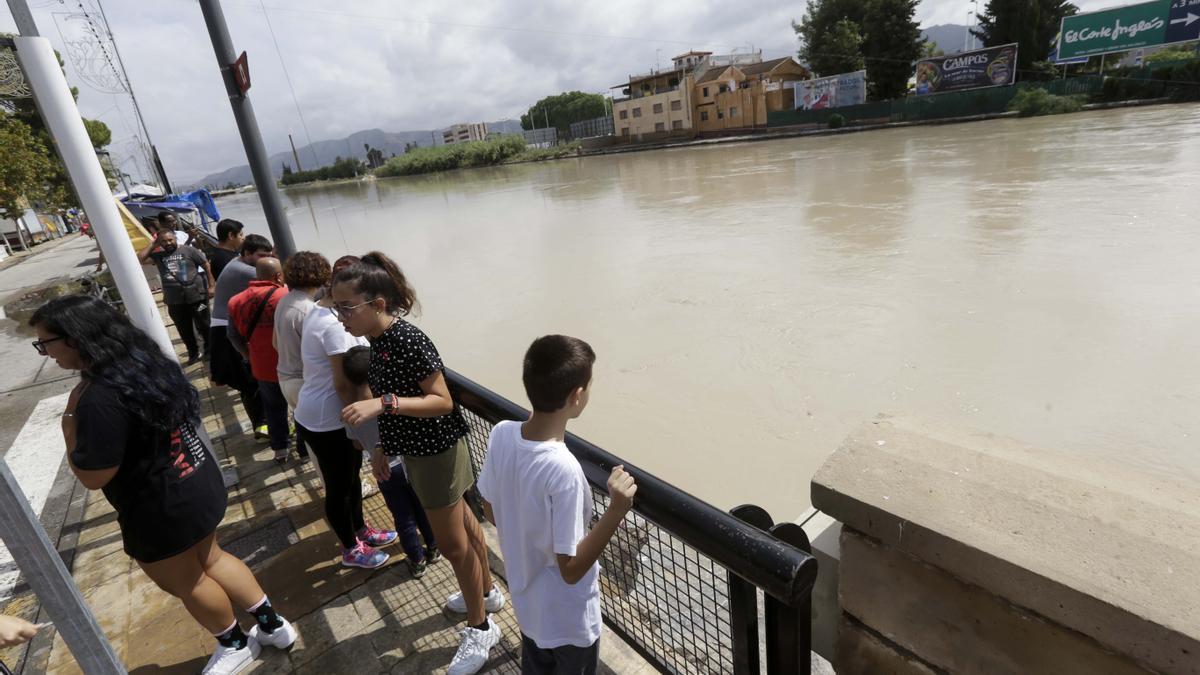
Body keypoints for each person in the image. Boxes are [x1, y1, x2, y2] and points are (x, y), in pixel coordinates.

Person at [30, 295, 297, 675]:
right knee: (214, 557)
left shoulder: (97, 399)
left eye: (46, 343)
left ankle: (236, 643)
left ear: (75, 338)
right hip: (196, 479)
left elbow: (93, 476)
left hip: (160, 508)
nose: (46, 353)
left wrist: (69, 425)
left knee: (187, 581)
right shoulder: (142, 361)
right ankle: (274, 627)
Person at [335, 252, 501, 675]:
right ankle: (486, 590)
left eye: (347, 307)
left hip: (438, 451)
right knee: (464, 525)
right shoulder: (377, 342)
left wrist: (382, 403)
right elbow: (393, 404)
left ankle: (480, 627)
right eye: (336, 307)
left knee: (451, 545)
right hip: (420, 450)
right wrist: (380, 449)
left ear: (378, 305)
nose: (341, 317)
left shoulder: (407, 340)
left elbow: (442, 401)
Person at [477, 336, 636, 675]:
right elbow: (571, 568)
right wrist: (616, 509)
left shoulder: (502, 433)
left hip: (527, 605)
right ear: (576, 396)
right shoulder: (563, 470)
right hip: (568, 621)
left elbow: (490, 511)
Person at [295, 256, 397, 569]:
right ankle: (351, 548)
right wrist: (366, 423)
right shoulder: (333, 325)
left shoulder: (319, 310)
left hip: (322, 412)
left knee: (351, 477)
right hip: (328, 417)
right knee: (339, 486)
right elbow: (343, 385)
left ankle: (360, 529)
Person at [343, 345, 440, 578]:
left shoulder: (351, 411)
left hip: (384, 473)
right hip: (409, 464)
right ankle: (434, 548)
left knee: (403, 517)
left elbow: (356, 444)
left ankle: (417, 560)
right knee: (422, 508)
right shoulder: (389, 402)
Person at [227, 258, 305, 464]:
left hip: (261, 366)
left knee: (273, 408)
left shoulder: (236, 301)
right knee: (301, 407)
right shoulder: (287, 296)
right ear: (279, 276)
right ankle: (305, 450)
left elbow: (232, 335)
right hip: (293, 364)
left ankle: (280, 449)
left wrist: (248, 356)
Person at [209, 234, 273, 439]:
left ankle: (263, 424)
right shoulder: (244, 271)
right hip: (226, 330)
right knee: (249, 380)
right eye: (262, 255)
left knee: (250, 379)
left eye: (268, 256)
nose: (265, 260)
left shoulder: (236, 263)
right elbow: (278, 279)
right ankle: (262, 425)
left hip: (226, 326)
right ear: (246, 253)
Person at [273, 252, 329, 466]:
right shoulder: (309, 310)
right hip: (307, 383)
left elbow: (275, 343)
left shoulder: (284, 301)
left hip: (286, 379)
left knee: (314, 446)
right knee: (327, 445)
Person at [137, 229, 215, 365]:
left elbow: (206, 265)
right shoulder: (158, 256)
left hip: (197, 296)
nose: (168, 243)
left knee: (204, 324)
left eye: (170, 240)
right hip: (174, 301)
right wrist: (153, 245)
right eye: (163, 241)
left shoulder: (189, 250)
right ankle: (193, 352)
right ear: (159, 242)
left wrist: (211, 286)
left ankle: (210, 350)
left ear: (175, 238)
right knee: (183, 329)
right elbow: (140, 259)